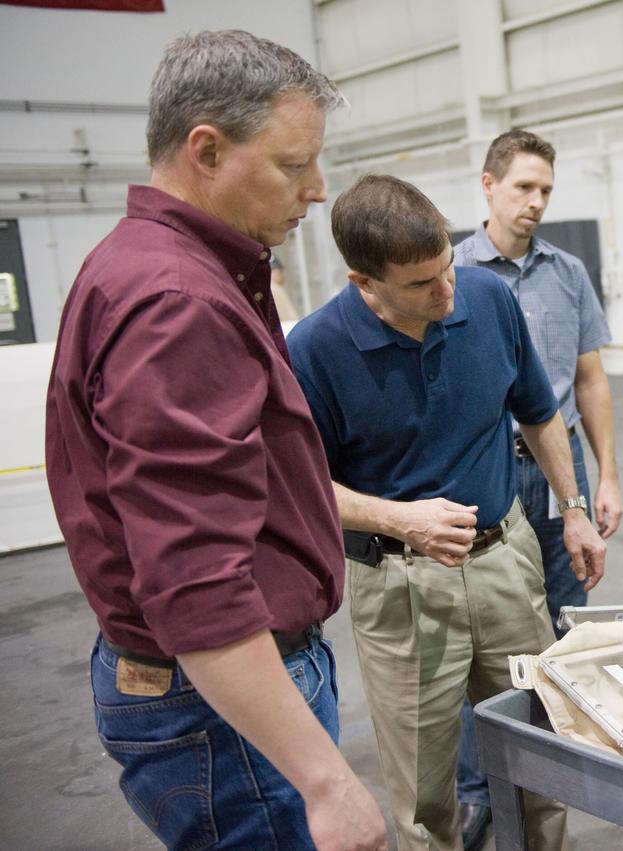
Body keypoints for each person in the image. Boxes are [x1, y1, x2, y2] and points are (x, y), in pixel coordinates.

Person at [44, 30, 385, 851]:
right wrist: (327, 780)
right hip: (219, 701)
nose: (316, 188)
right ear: (206, 148)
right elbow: (196, 581)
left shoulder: (156, 266)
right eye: (292, 164)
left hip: (216, 689)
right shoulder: (177, 301)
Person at [286, 173, 605, 851]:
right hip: (402, 588)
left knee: (541, 752)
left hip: (505, 563)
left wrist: (573, 507)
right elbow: (299, 485)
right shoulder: (315, 350)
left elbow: (540, 414)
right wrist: (403, 520)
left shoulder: (486, 297)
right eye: (421, 282)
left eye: (447, 268)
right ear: (364, 282)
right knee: (426, 792)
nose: (446, 291)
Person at [451, 129, 622, 846]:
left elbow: (588, 378)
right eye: (523, 186)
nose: (536, 202)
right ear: (487, 185)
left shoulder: (567, 272)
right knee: (482, 634)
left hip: (562, 465)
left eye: (546, 189)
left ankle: (546, 767)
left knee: (560, 617)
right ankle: (476, 785)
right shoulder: (451, 270)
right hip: (489, 464)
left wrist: (605, 473)